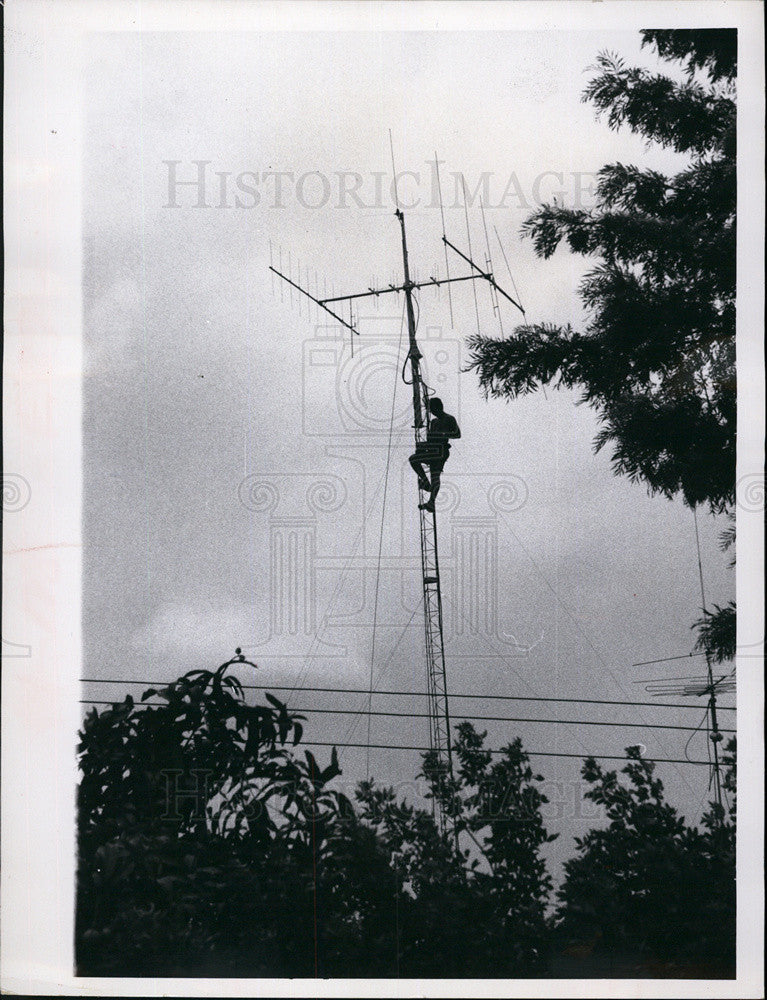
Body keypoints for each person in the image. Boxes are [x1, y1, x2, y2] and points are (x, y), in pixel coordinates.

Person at [409, 397, 460, 512]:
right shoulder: (434, 422)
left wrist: (442, 434)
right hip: (433, 450)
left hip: (441, 451)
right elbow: (431, 439)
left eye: (432, 409)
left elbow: (457, 434)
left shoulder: (449, 419)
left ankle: (430, 496)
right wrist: (423, 446)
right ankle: (428, 490)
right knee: (415, 459)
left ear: (438, 407)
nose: (432, 412)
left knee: (434, 475)